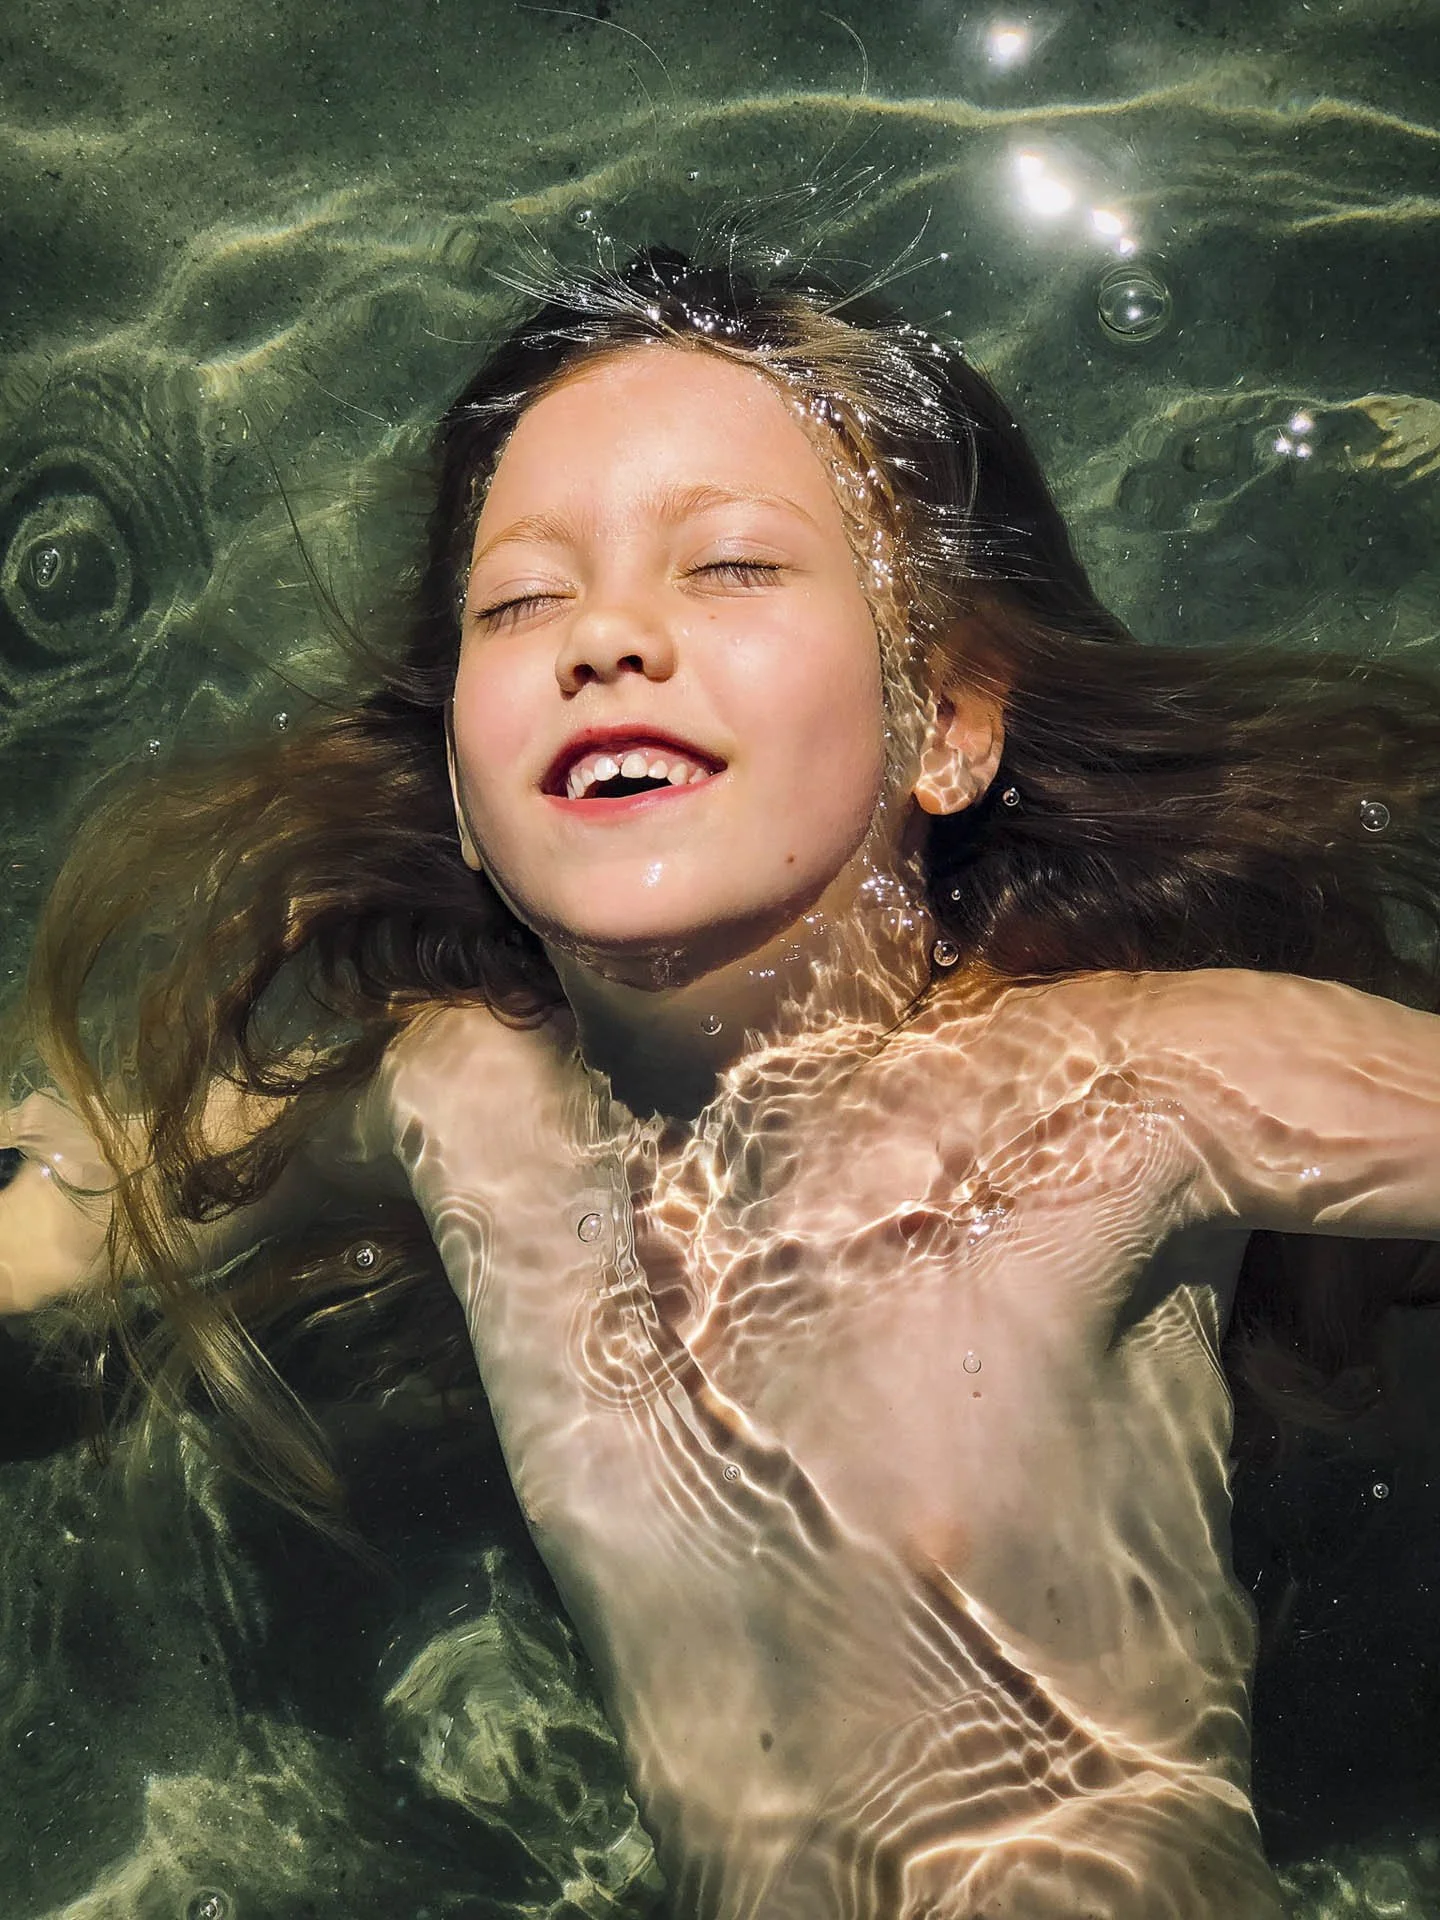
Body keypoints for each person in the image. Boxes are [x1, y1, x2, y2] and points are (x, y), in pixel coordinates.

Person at [3, 245, 1439, 1918]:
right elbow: (106, 1183)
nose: (606, 635)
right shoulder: (462, 1105)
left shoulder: (1119, 1087)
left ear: (950, 720)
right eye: (520, 600)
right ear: (466, 794)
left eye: (734, 564)